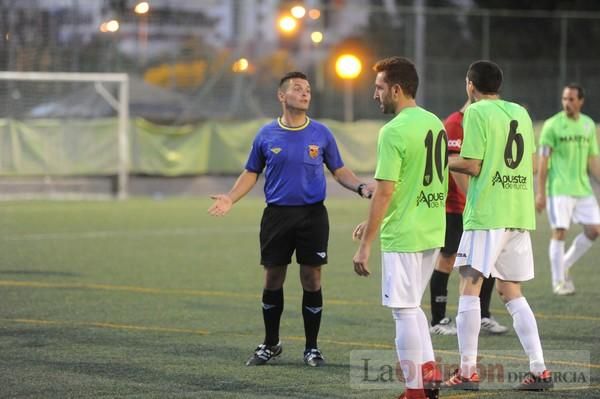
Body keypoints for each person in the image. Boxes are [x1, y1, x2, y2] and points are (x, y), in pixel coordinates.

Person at [208, 71, 372, 367]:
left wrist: (360, 186)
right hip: (277, 216)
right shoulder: (266, 134)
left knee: (312, 278)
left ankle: (312, 348)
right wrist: (230, 197)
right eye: (298, 88)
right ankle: (271, 344)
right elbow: (251, 172)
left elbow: (339, 170)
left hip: (313, 216)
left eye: (308, 89)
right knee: (273, 278)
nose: (305, 93)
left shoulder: (321, 133)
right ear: (282, 96)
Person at [442, 60, 552, 391]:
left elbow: (472, 164)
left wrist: (441, 161)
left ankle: (467, 371)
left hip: (488, 212)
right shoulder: (519, 111)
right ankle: (539, 370)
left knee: (469, 286)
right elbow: (531, 164)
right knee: (510, 290)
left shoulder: (475, 113)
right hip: (518, 212)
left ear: (470, 85)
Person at [352, 56, 447, 399]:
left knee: (403, 311)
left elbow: (387, 188)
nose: (374, 94)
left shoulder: (393, 130)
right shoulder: (434, 121)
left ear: (395, 89)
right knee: (412, 305)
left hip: (405, 233)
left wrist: (366, 245)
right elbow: (405, 184)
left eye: (378, 88)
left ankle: (415, 391)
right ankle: (429, 372)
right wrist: (371, 221)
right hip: (431, 228)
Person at [429, 100, 509, 336]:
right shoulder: (455, 123)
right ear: (472, 90)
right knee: (447, 258)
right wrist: (475, 200)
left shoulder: (485, 120)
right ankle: (438, 320)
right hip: (456, 206)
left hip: (482, 207)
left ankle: (483, 315)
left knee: (488, 260)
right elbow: (455, 167)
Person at [536, 83, 600, 295]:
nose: (567, 103)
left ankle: (564, 264)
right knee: (560, 231)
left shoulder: (589, 125)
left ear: (580, 101)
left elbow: (593, 161)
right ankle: (558, 282)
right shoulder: (552, 125)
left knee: (594, 230)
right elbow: (543, 162)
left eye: (571, 99)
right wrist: (540, 192)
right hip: (559, 189)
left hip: (583, 189)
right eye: (565, 99)